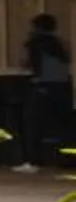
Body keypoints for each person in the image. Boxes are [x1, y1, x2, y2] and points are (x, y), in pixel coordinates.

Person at [22, 13, 71, 170]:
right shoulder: (60, 43)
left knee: (33, 125)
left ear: (38, 27)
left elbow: (31, 65)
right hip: (63, 87)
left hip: (43, 86)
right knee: (63, 126)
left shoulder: (35, 43)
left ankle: (33, 162)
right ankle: (67, 161)